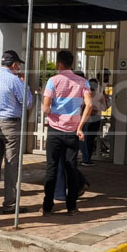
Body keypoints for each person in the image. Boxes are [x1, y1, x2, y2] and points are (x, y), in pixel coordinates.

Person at [41, 50, 92, 215]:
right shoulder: (83, 82)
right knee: (71, 169)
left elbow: (45, 107)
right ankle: (71, 207)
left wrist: (49, 113)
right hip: (73, 131)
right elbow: (89, 105)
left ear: (59, 64)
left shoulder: (53, 81)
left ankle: (48, 206)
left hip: (55, 130)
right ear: (71, 63)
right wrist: (80, 126)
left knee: (52, 169)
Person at [0, 51, 33, 214]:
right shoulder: (14, 80)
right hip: (10, 124)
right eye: (18, 64)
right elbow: (27, 102)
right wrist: (25, 84)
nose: (19, 67)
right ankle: (9, 202)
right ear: (14, 65)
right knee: (11, 164)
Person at [80, 78, 108, 166]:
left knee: (88, 139)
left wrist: (95, 109)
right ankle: (86, 158)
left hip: (90, 119)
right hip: (92, 119)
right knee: (89, 139)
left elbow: (104, 107)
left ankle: (86, 158)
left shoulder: (87, 95)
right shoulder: (97, 95)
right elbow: (104, 108)